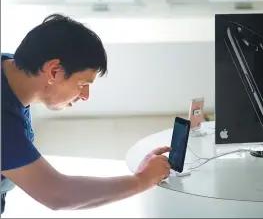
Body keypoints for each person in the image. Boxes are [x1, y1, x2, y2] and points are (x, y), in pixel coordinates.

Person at [1, 14, 171, 214]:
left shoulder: (9, 66)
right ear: (54, 71)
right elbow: (58, 194)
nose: (85, 96)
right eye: (82, 84)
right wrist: (142, 181)